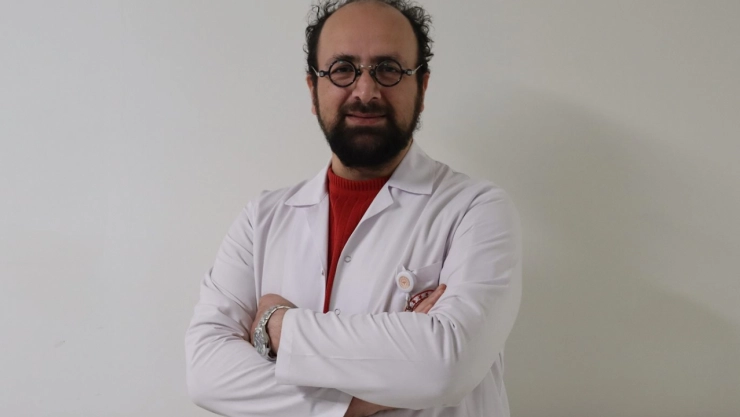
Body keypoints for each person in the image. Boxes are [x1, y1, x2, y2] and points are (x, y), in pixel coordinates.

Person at [185, 1, 522, 416]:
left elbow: (447, 365)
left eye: (388, 69)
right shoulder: (262, 219)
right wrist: (355, 404)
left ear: (422, 88)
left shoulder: (477, 209)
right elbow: (207, 373)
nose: (366, 92)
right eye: (342, 69)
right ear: (313, 89)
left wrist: (278, 325)